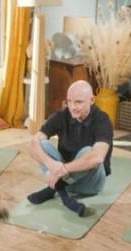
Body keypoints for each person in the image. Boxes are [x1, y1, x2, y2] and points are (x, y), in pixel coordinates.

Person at [27, 80, 113, 217]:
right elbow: (32, 143)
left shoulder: (103, 120)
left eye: (78, 102)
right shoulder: (61, 115)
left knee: (88, 152)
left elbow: (97, 158)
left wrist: (64, 169)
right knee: (42, 145)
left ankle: (54, 188)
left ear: (92, 100)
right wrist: (53, 165)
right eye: (69, 101)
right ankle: (61, 189)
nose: (73, 107)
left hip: (89, 184)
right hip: (62, 177)